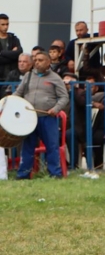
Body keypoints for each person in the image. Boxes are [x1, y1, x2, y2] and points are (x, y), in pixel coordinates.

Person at [14, 51, 69, 179]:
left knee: (52, 147)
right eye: (35, 60)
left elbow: (64, 97)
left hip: (48, 118)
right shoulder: (28, 76)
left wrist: (55, 109)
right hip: (30, 118)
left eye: (40, 60)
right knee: (27, 147)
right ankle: (23, 175)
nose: (37, 62)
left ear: (48, 62)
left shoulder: (55, 78)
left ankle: (55, 174)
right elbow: (18, 93)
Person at [0, 13, 23, 97]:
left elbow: (19, 53)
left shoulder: (13, 38)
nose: (5, 27)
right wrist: (12, 55)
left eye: (7, 24)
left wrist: (2, 53)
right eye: (3, 24)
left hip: (12, 78)